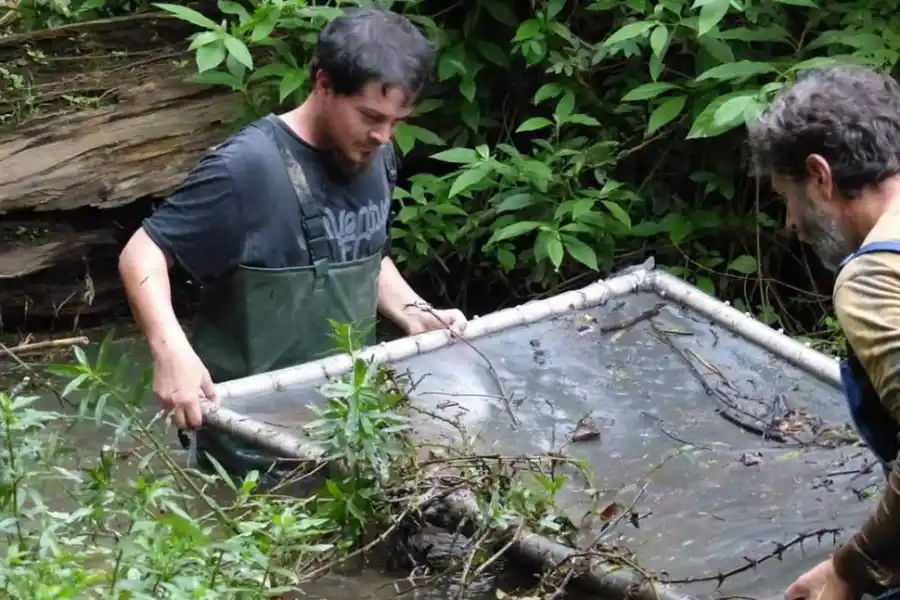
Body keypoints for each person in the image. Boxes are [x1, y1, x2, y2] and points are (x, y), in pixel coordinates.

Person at [118, 7, 468, 485]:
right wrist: (170, 351)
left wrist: (413, 309)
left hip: (349, 431)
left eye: (396, 121)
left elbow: (365, 253)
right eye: (370, 116)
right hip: (248, 452)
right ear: (323, 83)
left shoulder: (378, 153)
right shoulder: (245, 169)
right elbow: (142, 253)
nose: (383, 135)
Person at [746, 65, 900, 600]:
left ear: (820, 175)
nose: (790, 221)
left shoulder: (875, 278)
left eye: (789, 196)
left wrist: (848, 569)